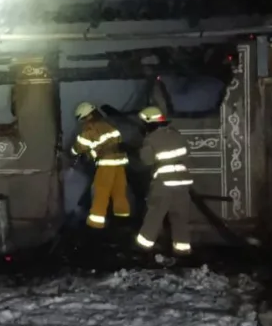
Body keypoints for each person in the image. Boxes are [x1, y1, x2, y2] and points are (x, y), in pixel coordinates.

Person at [135, 106, 193, 256]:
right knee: (180, 217)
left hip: (164, 184)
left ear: (149, 122)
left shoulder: (151, 139)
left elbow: (146, 161)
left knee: (154, 215)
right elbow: (186, 154)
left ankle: (143, 248)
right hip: (182, 182)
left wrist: (142, 148)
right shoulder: (177, 135)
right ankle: (183, 251)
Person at [70, 102, 130, 228]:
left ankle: (95, 223)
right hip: (120, 162)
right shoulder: (108, 124)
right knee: (119, 190)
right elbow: (113, 143)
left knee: (101, 190)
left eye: (82, 119)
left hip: (106, 163)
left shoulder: (90, 127)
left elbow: (81, 145)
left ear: (86, 116)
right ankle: (122, 218)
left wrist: (73, 152)